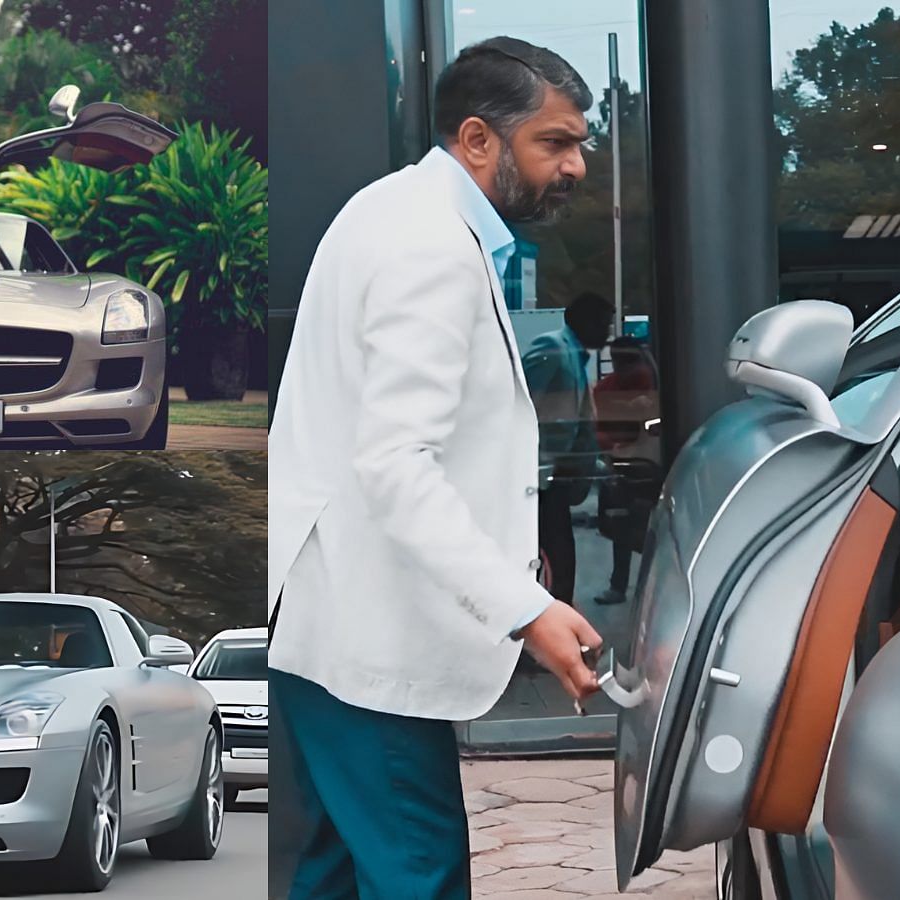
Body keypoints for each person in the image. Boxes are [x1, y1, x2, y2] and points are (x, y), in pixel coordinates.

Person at [267, 37, 604, 899]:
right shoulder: (428, 245)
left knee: (336, 874)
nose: (577, 164)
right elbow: (395, 464)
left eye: (579, 143)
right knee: (418, 873)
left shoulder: (398, 210)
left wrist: (513, 564)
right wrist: (524, 608)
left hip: (332, 622)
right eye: (556, 143)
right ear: (479, 139)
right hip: (367, 633)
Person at [521, 291, 613, 606]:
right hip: (538, 479)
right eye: (604, 324)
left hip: (554, 478)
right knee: (554, 559)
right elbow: (518, 404)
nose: (608, 332)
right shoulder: (553, 350)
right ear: (584, 323)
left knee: (561, 560)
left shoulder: (574, 355)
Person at [591, 336, 660, 605]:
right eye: (620, 360)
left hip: (649, 464)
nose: (627, 367)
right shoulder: (606, 388)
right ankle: (620, 586)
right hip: (623, 463)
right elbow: (596, 427)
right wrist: (612, 445)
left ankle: (646, 588)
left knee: (649, 528)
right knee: (620, 528)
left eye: (630, 360)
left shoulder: (652, 384)